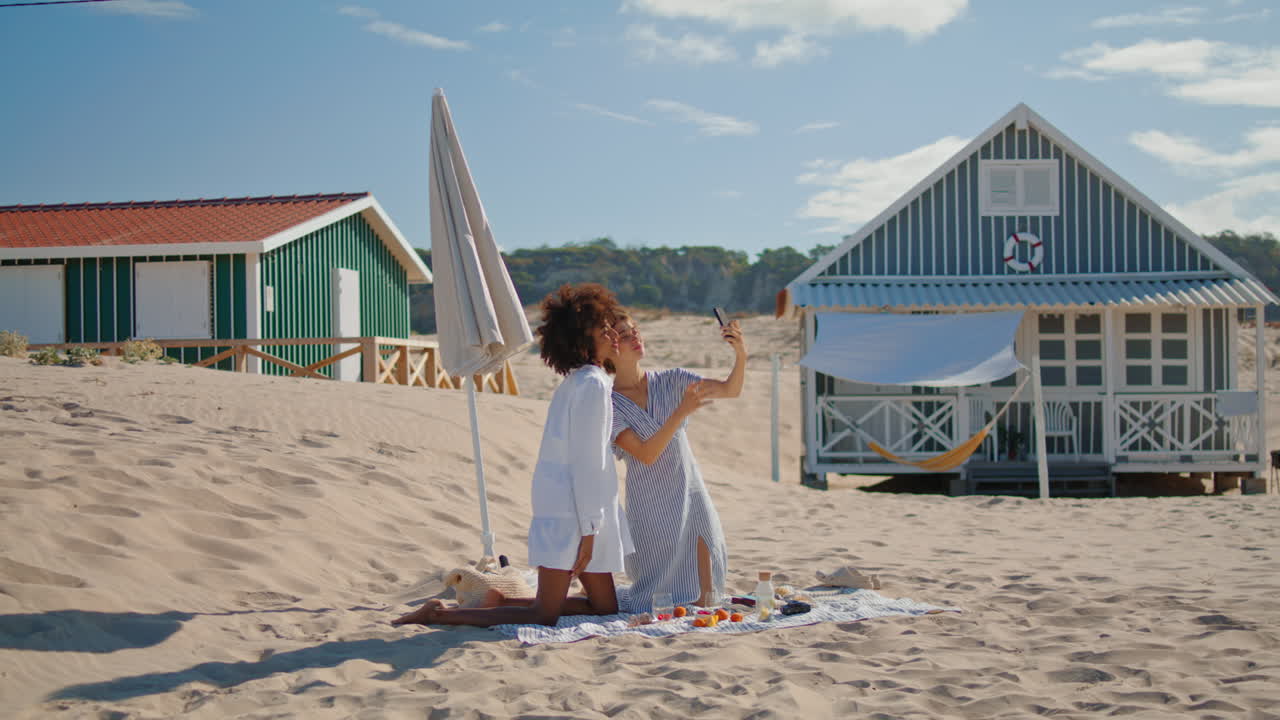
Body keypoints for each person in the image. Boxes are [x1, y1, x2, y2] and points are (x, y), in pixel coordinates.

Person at [393, 283, 633, 627]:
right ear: (583, 337)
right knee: (544, 614)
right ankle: (442, 614)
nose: (613, 333)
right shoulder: (591, 385)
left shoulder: (581, 381)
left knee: (606, 607)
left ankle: (498, 600)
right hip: (571, 514)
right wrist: (590, 532)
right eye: (604, 327)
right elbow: (587, 464)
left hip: (572, 506)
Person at [607, 309, 746, 610]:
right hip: (650, 503)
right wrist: (681, 411)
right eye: (625, 334)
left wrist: (740, 354)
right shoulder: (609, 404)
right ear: (609, 348)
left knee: (706, 599)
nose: (636, 337)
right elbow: (646, 454)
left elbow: (730, 390)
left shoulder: (672, 380)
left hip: (690, 490)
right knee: (656, 598)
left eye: (636, 329)